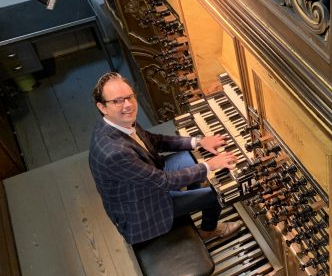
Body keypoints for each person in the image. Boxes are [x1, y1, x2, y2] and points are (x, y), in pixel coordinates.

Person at [88, 72, 242, 244]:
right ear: (102, 107)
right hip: (143, 211)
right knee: (216, 194)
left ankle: (193, 195)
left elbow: (155, 140)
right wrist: (210, 166)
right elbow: (164, 181)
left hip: (148, 182)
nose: (128, 105)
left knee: (192, 156)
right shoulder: (114, 152)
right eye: (117, 101)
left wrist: (199, 141)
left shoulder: (117, 121)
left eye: (130, 97)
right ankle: (209, 230)